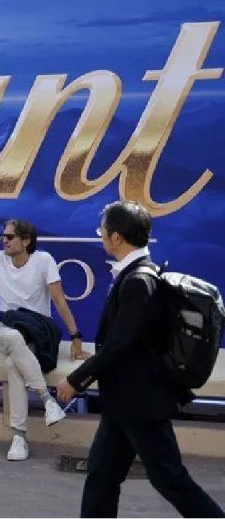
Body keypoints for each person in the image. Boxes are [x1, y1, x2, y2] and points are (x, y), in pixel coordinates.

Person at [56, 201, 224, 518]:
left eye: (102, 231)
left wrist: (76, 380)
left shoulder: (138, 281)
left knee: (169, 479)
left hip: (141, 402)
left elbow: (120, 343)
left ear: (116, 237)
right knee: (102, 476)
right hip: (124, 401)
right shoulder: (137, 275)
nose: (100, 236)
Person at [0, 218, 90, 461]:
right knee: (13, 337)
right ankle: (47, 400)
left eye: (10, 237)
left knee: (13, 365)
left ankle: (19, 436)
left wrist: (76, 338)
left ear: (26, 241)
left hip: (38, 331)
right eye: (3, 236)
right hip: (7, 327)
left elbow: (59, 300)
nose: (4, 240)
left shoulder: (44, 260)